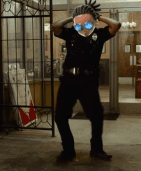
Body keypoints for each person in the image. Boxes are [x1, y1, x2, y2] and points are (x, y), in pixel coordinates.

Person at [51, 0, 121, 161]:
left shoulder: (100, 34)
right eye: (79, 23)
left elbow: (116, 25)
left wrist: (97, 17)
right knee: (60, 117)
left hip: (88, 81)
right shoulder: (71, 33)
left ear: (93, 22)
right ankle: (68, 150)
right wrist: (73, 18)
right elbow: (55, 27)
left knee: (97, 116)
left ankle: (96, 150)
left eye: (87, 23)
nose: (83, 27)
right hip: (68, 80)